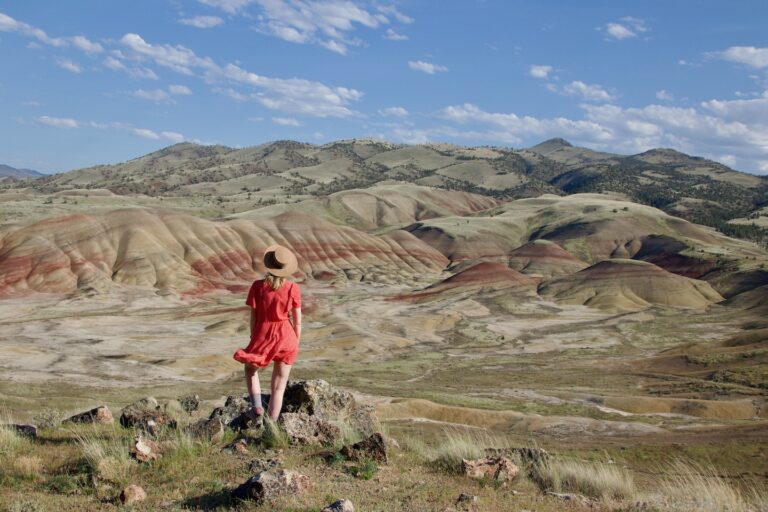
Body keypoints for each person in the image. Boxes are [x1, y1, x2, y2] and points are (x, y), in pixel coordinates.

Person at [233, 245, 301, 422]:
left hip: (264, 333)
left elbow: (253, 317)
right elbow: (298, 320)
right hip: (288, 336)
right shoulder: (293, 288)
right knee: (278, 387)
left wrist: (254, 337)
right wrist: (296, 341)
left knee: (250, 368)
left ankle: (257, 407)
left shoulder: (257, 287)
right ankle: (271, 426)